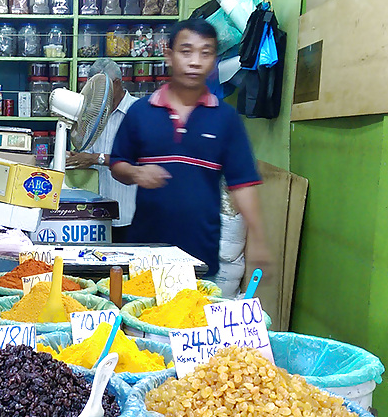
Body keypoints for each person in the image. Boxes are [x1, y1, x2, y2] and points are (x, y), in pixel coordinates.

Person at [110, 18, 269, 281]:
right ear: (169, 56)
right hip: (146, 253)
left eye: (205, 53)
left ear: (214, 60)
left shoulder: (226, 119)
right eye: (186, 51)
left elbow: (242, 184)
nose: (195, 61)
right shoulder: (140, 112)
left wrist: (260, 239)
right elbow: (118, 164)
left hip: (200, 260)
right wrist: (137, 174)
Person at [65, 59, 138, 242]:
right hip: (94, 215)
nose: (98, 95)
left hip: (128, 215)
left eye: (102, 88)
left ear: (117, 83)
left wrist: (95, 158)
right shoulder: (91, 113)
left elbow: (139, 159)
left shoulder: (137, 112)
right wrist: (77, 158)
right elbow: (86, 149)